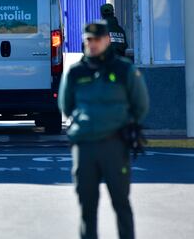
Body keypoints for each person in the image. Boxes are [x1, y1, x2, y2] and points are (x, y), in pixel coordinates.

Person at [59, 21, 149, 239]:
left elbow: (141, 106)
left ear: (107, 40)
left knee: (121, 202)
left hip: (115, 145)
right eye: (88, 40)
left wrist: (123, 124)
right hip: (85, 146)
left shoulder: (124, 70)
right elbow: (66, 104)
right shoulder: (75, 72)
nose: (92, 44)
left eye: (97, 39)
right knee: (87, 207)